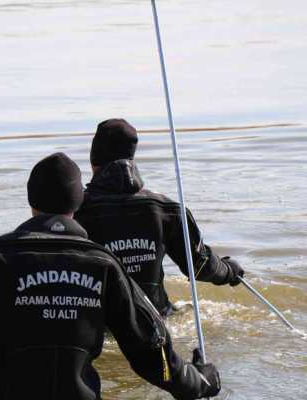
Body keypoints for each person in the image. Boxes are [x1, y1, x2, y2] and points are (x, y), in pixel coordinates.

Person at [0, 153, 221, 400]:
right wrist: (198, 382)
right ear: (78, 202)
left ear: (31, 201)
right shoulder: (104, 265)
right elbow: (151, 350)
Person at [74, 119, 245, 316]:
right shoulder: (167, 210)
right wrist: (229, 271)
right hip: (155, 321)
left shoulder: (74, 212)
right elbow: (199, 266)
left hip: (97, 326)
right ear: (132, 157)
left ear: (93, 160)